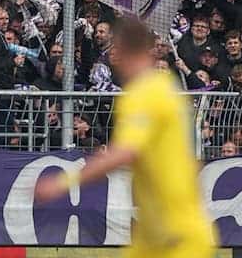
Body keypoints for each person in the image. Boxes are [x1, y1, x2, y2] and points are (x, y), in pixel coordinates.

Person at [34, 17, 217, 257]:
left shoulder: (145, 93)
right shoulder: (163, 86)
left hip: (175, 234)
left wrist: (61, 183)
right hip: (155, 233)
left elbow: (126, 152)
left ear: (127, 49)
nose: (112, 55)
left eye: (115, 47)